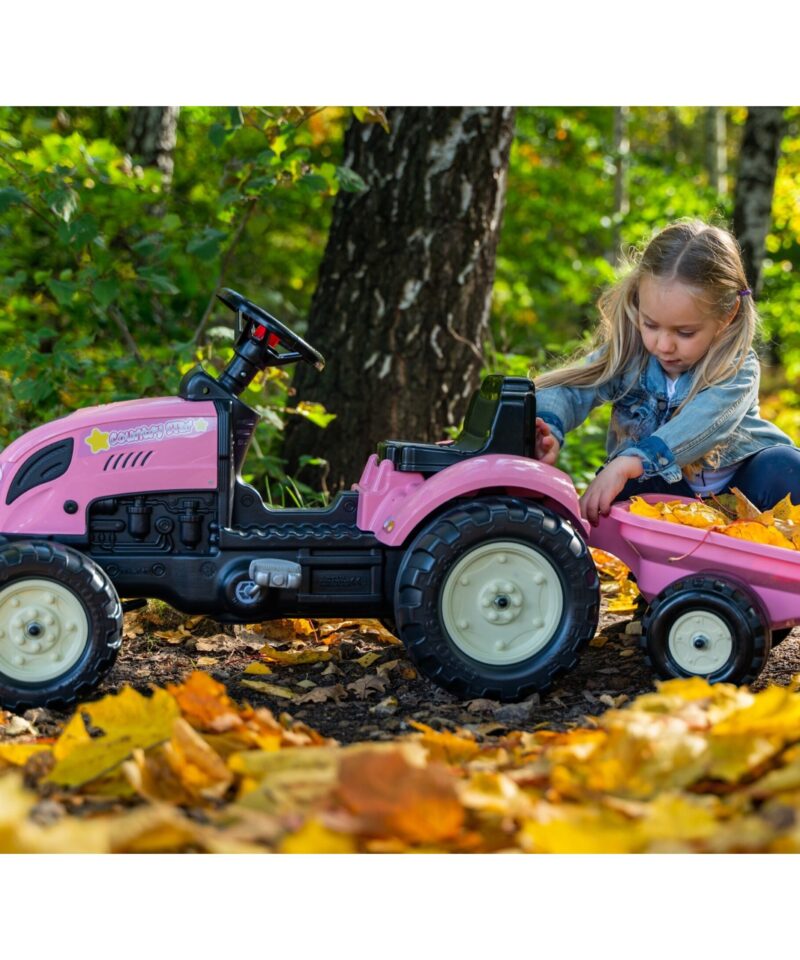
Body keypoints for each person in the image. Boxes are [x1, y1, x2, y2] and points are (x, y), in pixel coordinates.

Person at [532, 219, 799, 525]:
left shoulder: (738, 367)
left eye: (684, 333)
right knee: (626, 484)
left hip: (743, 496)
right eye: (650, 324)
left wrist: (634, 460)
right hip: (666, 495)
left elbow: (703, 423)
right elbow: (571, 386)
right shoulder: (631, 355)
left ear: (727, 315)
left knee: (787, 465)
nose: (663, 345)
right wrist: (548, 428)